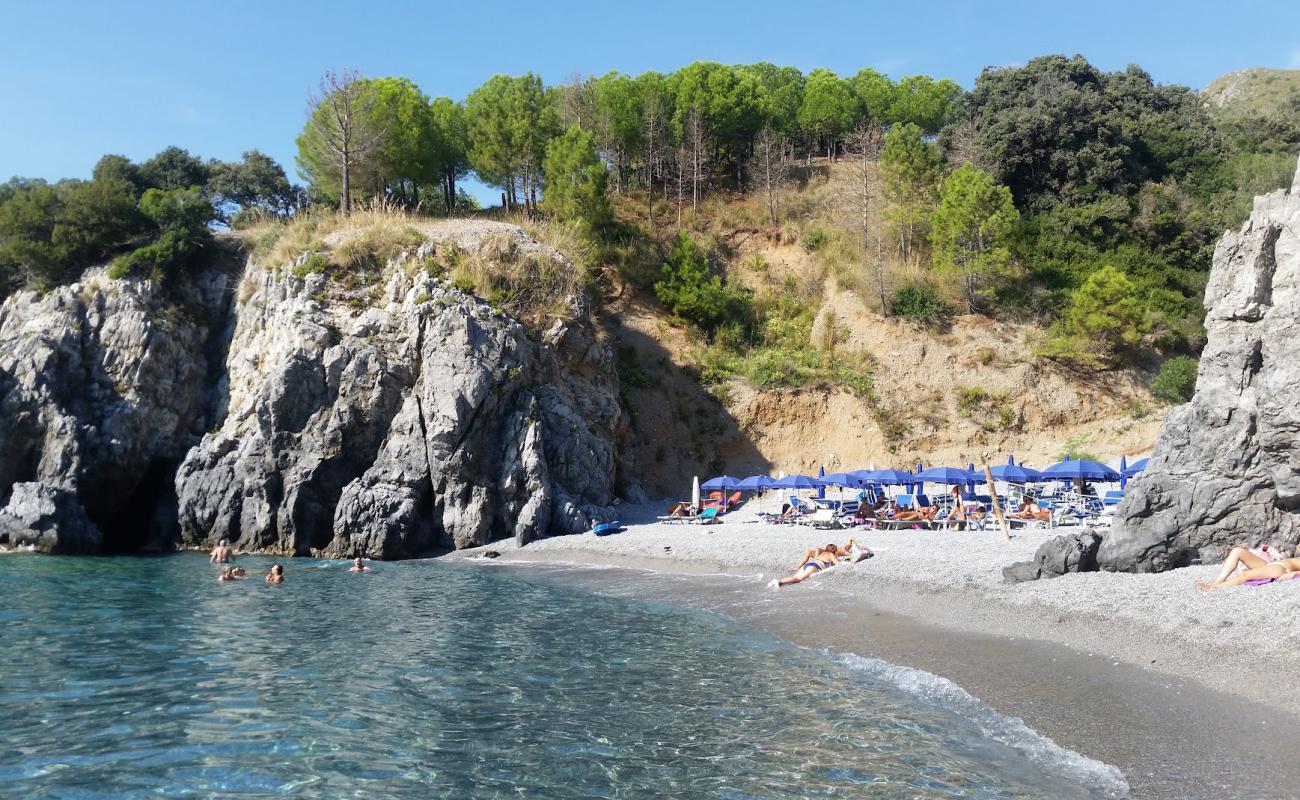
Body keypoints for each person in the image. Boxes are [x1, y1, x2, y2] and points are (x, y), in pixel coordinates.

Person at [1196, 546, 1300, 590]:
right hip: (1272, 564)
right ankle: (1218, 582)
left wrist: (1295, 573)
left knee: (1245, 575)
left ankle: (1214, 588)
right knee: (1238, 551)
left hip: (1281, 569)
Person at [770, 544, 841, 588]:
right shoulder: (831, 554)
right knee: (798, 579)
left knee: (795, 577)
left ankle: (777, 583)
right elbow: (837, 563)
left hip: (808, 564)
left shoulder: (822, 553)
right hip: (815, 566)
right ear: (834, 550)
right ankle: (779, 581)